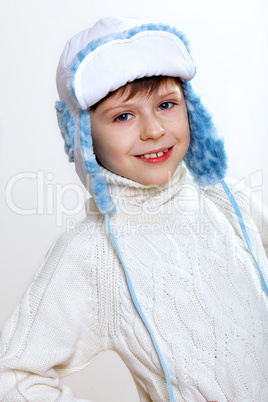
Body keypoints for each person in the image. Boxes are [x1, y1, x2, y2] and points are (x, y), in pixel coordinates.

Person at [0, 15, 268, 402]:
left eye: (166, 104)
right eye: (124, 116)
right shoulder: (94, 254)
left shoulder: (227, 199)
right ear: (85, 137)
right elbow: (13, 374)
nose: (154, 130)